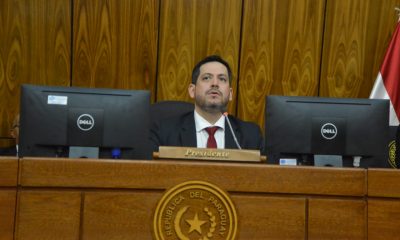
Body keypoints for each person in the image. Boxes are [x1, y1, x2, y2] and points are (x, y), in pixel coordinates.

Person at [150, 55, 263, 152]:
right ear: (192, 90)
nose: (215, 84)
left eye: (222, 79)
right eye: (207, 78)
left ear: (230, 93)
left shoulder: (251, 135)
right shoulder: (165, 132)